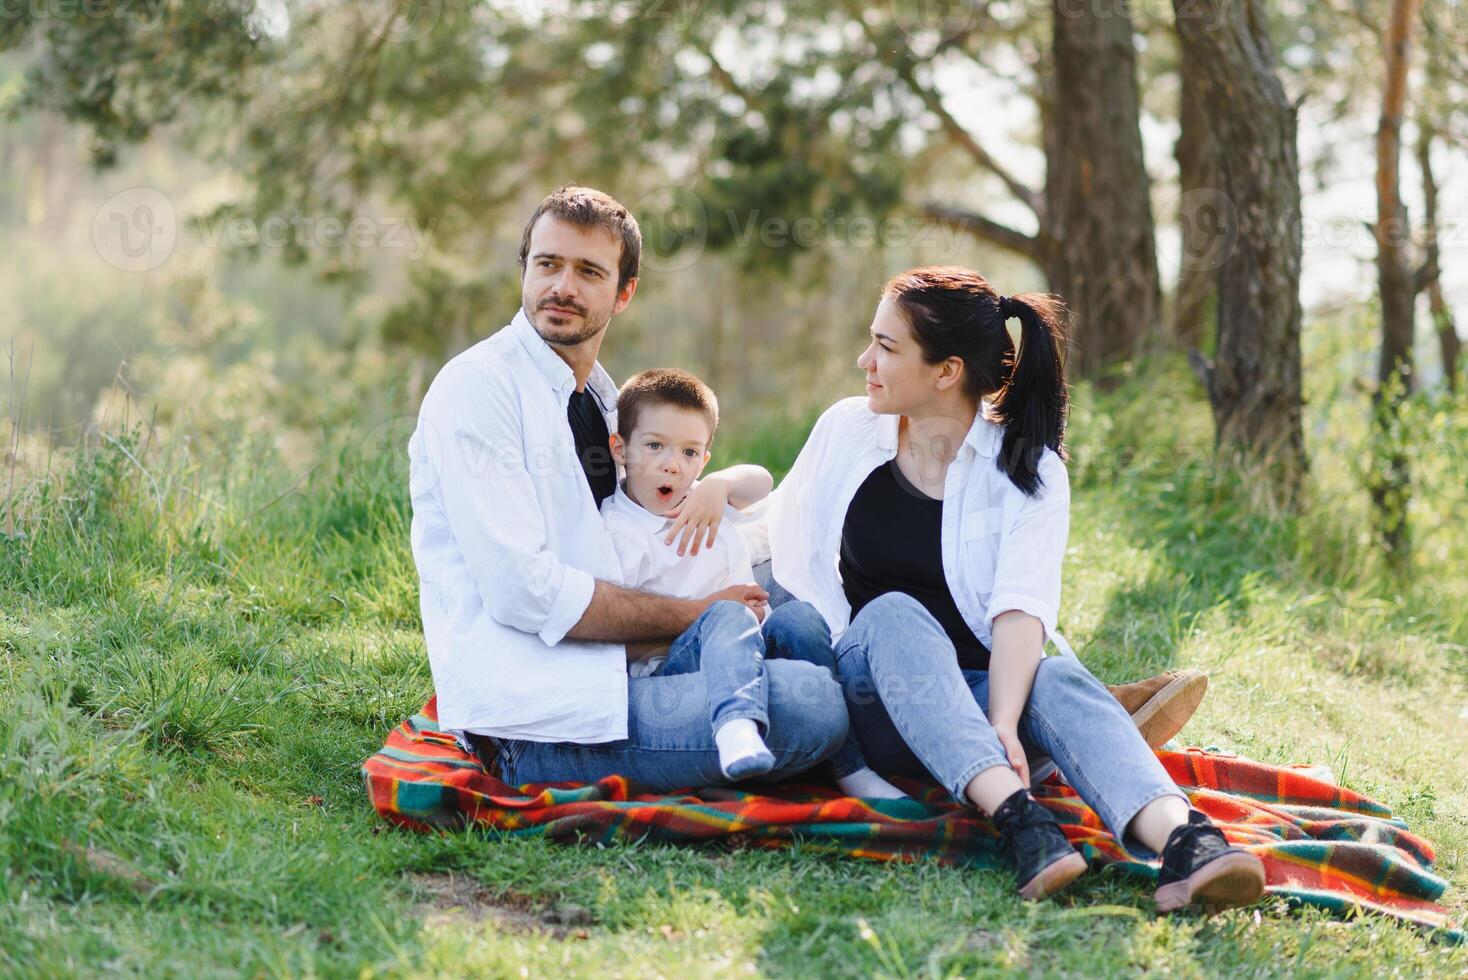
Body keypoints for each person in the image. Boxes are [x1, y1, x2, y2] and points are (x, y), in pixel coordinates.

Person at [759, 267, 1266, 909]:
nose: (866, 361)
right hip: (875, 699)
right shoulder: (847, 430)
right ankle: (1022, 821)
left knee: (1055, 677)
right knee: (892, 613)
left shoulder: (1027, 467)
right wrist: (707, 500)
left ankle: (1189, 843)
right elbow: (776, 530)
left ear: (946, 371)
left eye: (886, 347)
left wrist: (1002, 720)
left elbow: (1022, 610)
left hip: (981, 704)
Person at [407, 185, 851, 792]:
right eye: (547, 264)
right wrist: (696, 615)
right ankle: (813, 728)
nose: (562, 286)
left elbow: (659, 524)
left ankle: (916, 695)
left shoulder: (602, 397)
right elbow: (522, 593)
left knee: (798, 586)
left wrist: (725, 494)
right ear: (525, 270)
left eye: (588, 271)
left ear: (623, 293)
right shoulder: (479, 389)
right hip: (545, 717)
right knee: (811, 703)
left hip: (629, 663)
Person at [603, 367, 833, 780]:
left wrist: (718, 484)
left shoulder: (701, 499)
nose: (673, 465)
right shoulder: (618, 533)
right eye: (655, 446)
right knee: (725, 616)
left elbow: (761, 482)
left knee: (802, 618)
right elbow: (616, 638)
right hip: (674, 670)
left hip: (751, 646)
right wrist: (710, 615)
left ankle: (843, 758)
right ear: (620, 449)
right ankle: (735, 728)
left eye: (690, 453)